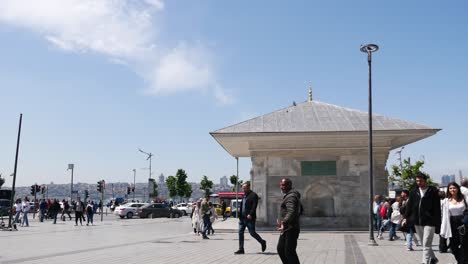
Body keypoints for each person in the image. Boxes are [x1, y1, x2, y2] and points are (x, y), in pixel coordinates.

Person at [404, 173, 441, 264]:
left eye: (421, 180)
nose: (419, 182)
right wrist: (405, 217)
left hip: (430, 221)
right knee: (424, 243)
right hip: (417, 221)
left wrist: (438, 222)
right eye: (417, 181)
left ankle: (424, 262)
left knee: (426, 244)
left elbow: (437, 208)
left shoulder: (433, 191)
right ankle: (433, 259)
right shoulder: (414, 192)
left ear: (425, 180)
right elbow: (409, 206)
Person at [234, 182, 267, 255]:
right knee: (240, 232)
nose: (243, 189)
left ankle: (262, 242)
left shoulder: (253, 195)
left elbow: (254, 206)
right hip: (242, 218)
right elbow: (242, 205)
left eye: (244, 188)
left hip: (249, 218)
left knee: (252, 233)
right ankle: (241, 249)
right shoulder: (244, 195)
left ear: (248, 187)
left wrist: (250, 214)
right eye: (242, 188)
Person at [440, 182, 467, 264]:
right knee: (453, 246)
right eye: (450, 188)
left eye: (454, 188)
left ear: (458, 189)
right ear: (448, 190)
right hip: (451, 223)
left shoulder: (464, 198)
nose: (452, 190)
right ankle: (461, 260)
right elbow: (443, 215)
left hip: (463, 222)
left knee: (464, 244)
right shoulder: (446, 201)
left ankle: (463, 261)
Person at [277, 178, 302, 264]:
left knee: (289, 252)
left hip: (290, 228)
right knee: (281, 249)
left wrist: (284, 222)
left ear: (289, 185)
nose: (281, 187)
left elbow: (291, 211)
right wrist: (280, 218)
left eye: (283, 185)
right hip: (287, 228)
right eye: (280, 185)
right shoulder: (289, 195)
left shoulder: (291, 196)